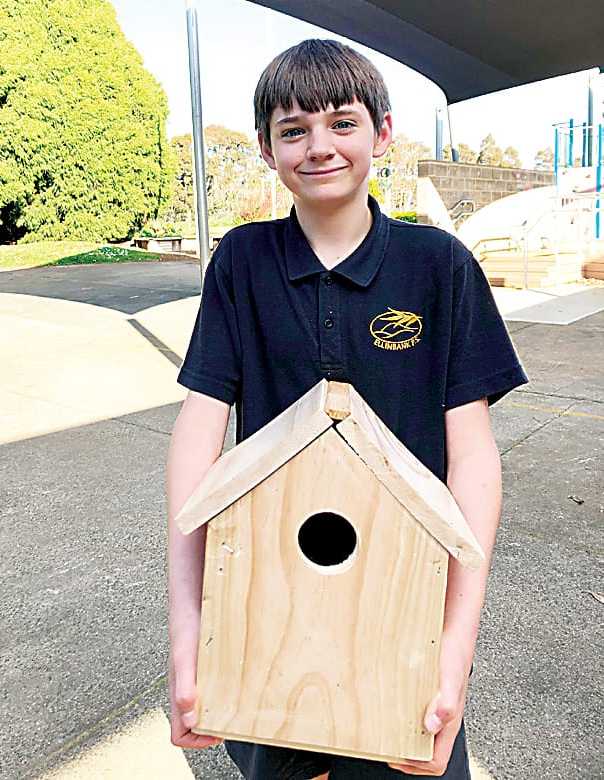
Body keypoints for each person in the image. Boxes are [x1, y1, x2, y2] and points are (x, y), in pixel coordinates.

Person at [166, 39, 527, 779]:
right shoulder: (242, 262)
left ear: (382, 134)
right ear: (266, 150)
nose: (318, 146)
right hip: (268, 614)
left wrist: (453, 653)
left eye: (341, 122)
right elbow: (198, 435)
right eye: (292, 130)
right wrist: (189, 632)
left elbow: (473, 460)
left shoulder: (438, 267)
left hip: (401, 615)